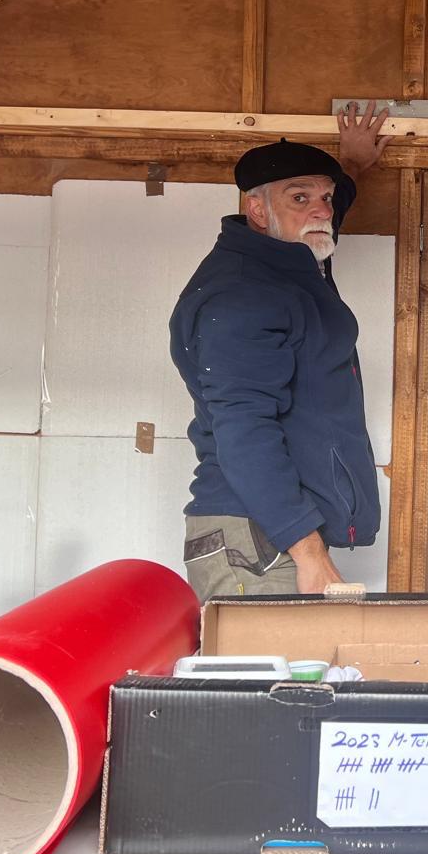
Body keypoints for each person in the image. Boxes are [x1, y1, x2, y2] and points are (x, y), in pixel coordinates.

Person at [170, 105, 390, 599]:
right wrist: (308, 553)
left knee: (303, 674)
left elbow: (317, 222)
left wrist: (349, 168)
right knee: (276, 677)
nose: (321, 210)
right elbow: (244, 430)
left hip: (271, 530)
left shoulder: (286, 258)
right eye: (300, 197)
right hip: (257, 542)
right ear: (257, 210)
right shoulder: (246, 295)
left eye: (326, 198)